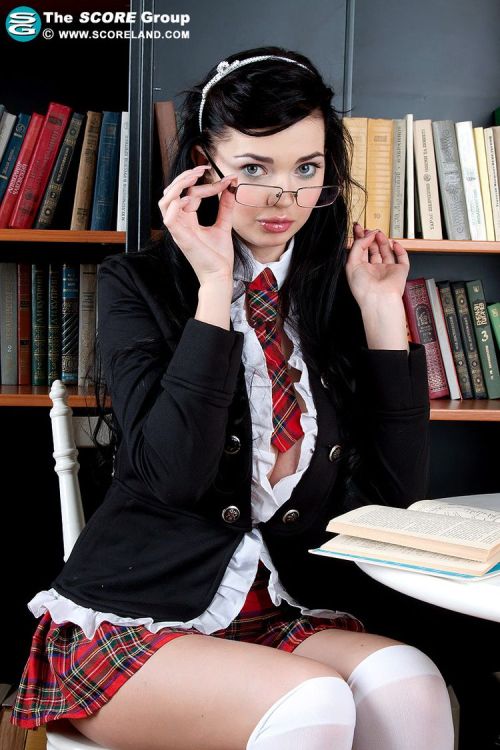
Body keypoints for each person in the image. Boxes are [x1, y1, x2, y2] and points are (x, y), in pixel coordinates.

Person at [11, 46, 455, 750]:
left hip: (279, 604)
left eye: (307, 170)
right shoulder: (141, 286)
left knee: (413, 685)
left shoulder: (335, 295)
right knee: (312, 704)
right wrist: (215, 287)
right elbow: (171, 475)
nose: (285, 198)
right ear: (203, 164)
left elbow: (397, 497)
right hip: (143, 609)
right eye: (254, 170)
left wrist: (379, 313)